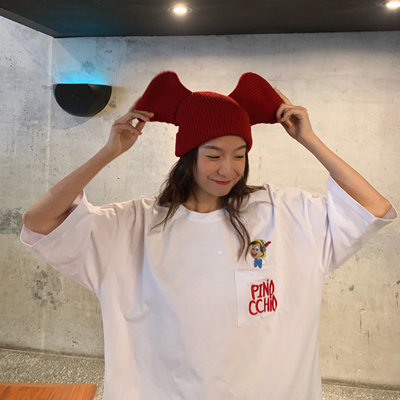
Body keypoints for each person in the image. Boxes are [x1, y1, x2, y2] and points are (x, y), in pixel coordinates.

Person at [20, 71, 397, 400]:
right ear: (188, 156)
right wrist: (108, 152)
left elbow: (374, 208)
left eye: (239, 155)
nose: (228, 169)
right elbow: (39, 221)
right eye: (213, 155)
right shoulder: (137, 224)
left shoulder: (280, 212)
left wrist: (309, 139)